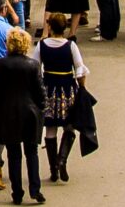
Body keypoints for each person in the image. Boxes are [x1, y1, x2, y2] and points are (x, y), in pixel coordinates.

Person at [0, 28, 47, 206]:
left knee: (14, 154)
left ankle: (17, 192)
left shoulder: (1, 64)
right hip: (30, 113)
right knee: (32, 152)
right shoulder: (33, 65)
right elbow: (39, 91)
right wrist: (42, 108)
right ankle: (35, 189)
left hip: (8, 114)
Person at [35, 13, 89, 187]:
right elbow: (80, 69)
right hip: (67, 88)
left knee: (50, 127)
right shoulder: (70, 46)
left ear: (49, 26)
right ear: (64, 27)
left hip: (49, 87)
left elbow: (35, 67)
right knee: (69, 125)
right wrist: (82, 87)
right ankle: (62, 160)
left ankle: (53, 169)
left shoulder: (41, 45)